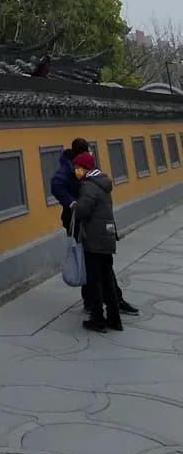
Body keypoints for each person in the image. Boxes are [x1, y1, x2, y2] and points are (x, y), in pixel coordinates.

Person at [51, 138, 138, 315]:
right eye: (88, 151)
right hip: (79, 223)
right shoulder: (68, 168)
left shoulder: (84, 168)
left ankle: (110, 300)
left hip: (93, 223)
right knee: (89, 264)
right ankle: (96, 302)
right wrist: (72, 203)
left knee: (99, 265)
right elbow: (56, 186)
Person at [73, 151, 122, 332]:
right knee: (107, 278)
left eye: (78, 168)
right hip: (107, 237)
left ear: (85, 168)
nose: (76, 171)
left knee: (94, 280)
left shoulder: (88, 186)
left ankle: (97, 318)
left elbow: (83, 210)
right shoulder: (103, 182)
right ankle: (114, 317)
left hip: (94, 239)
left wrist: (75, 206)